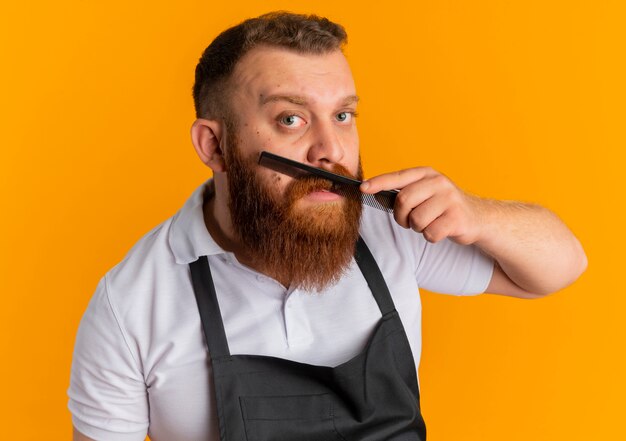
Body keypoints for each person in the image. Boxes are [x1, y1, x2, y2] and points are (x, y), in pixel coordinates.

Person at [68, 11, 587, 441]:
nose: (331, 151)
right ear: (214, 145)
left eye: (342, 116)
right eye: (291, 119)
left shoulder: (390, 231)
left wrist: (476, 214)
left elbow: (561, 267)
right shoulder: (132, 304)